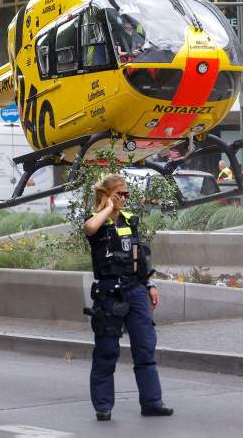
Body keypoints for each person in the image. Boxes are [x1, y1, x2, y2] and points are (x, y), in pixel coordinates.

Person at [83, 174, 173, 422]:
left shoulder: (131, 220)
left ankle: (152, 402)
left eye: (126, 195)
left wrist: (150, 284)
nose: (124, 199)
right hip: (109, 293)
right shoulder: (96, 221)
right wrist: (108, 208)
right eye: (119, 194)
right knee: (107, 350)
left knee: (145, 348)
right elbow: (90, 228)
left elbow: (139, 258)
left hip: (135, 290)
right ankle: (103, 406)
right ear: (107, 195)